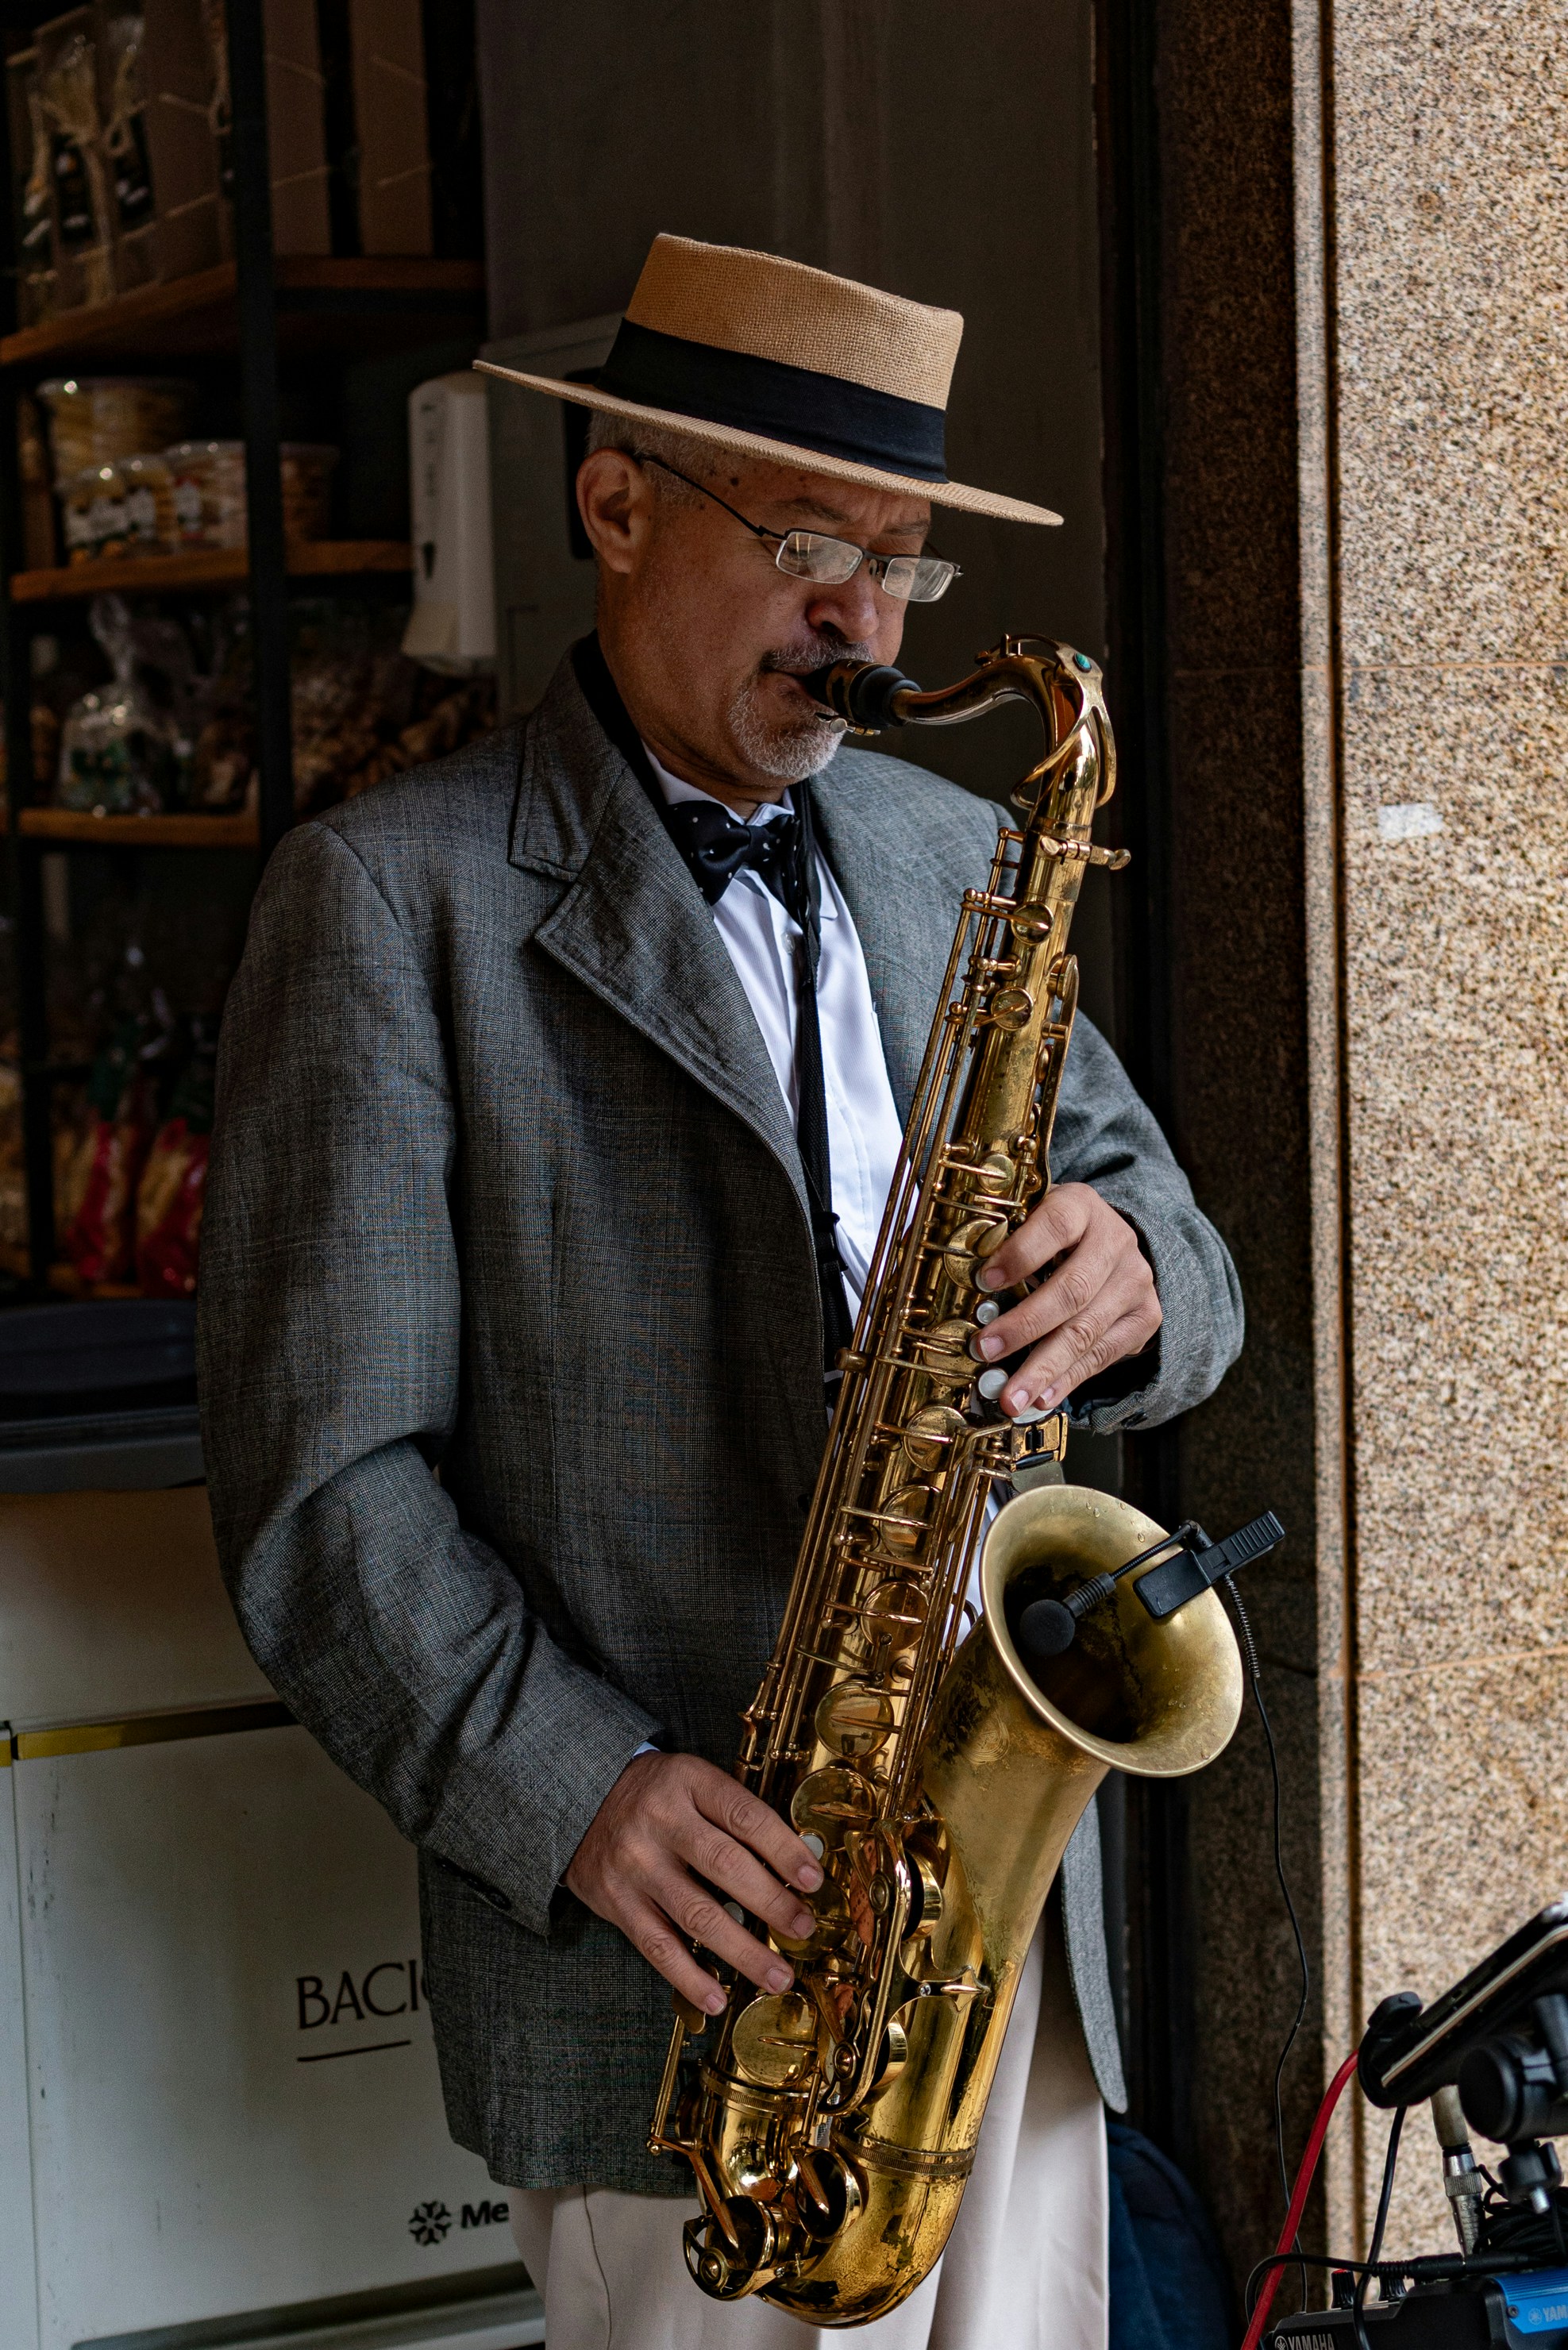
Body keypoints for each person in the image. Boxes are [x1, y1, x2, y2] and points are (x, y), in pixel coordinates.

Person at [199, 235, 1242, 2350]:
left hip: (989, 1949)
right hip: (678, 1971)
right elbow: (326, 1489)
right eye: (804, 546)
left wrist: (1140, 1277)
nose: (862, 620)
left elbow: (1184, 1252)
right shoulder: (392, 903)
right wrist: (570, 1790)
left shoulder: (955, 856)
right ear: (612, 508)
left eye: (902, 565)